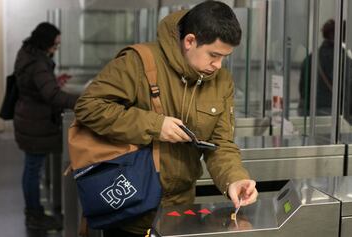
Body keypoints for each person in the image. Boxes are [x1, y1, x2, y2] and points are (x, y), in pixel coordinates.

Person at [73, 1, 258, 236]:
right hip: (132, 208)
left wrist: (234, 180)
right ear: (190, 41)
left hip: (180, 212)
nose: (218, 65)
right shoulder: (138, 62)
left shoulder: (221, 82)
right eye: (213, 55)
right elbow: (89, 107)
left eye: (225, 57)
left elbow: (220, 144)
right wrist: (155, 125)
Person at [13, 22, 79, 230]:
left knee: (31, 169)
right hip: (35, 123)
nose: (55, 48)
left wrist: (53, 80)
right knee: (33, 170)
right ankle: (35, 215)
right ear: (46, 42)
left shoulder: (28, 53)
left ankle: (34, 212)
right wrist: (82, 102)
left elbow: (37, 85)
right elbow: (51, 95)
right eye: (55, 44)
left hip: (28, 117)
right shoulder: (38, 62)